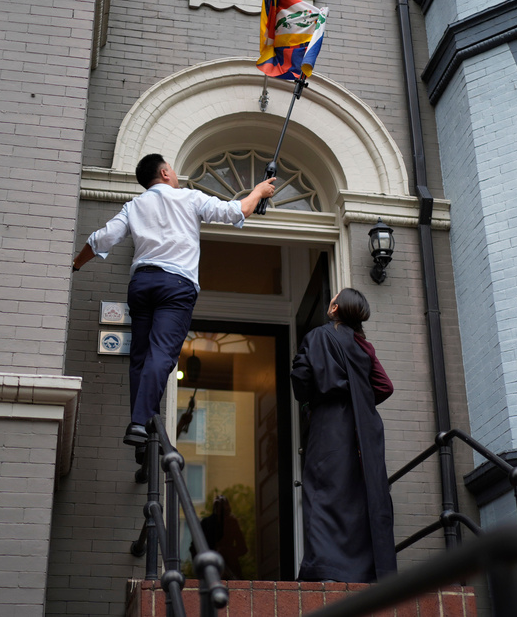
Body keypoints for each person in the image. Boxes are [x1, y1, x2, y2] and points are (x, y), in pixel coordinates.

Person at [73, 153, 276, 447]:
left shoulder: (134, 206)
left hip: (142, 283)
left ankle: (140, 426)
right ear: (166, 172)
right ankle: (141, 423)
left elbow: (101, 238)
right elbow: (237, 212)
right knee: (162, 354)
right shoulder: (189, 198)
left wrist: (76, 265)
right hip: (176, 285)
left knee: (141, 357)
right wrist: (258, 191)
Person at [290, 287, 397, 583]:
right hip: (363, 429)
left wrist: (313, 400)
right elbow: (385, 386)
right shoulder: (364, 346)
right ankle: (363, 572)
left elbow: (301, 380)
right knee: (359, 495)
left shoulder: (317, 337)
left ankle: (323, 569)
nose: (330, 301)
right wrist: (361, 400)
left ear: (336, 308)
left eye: (333, 299)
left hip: (328, 426)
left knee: (323, 493)